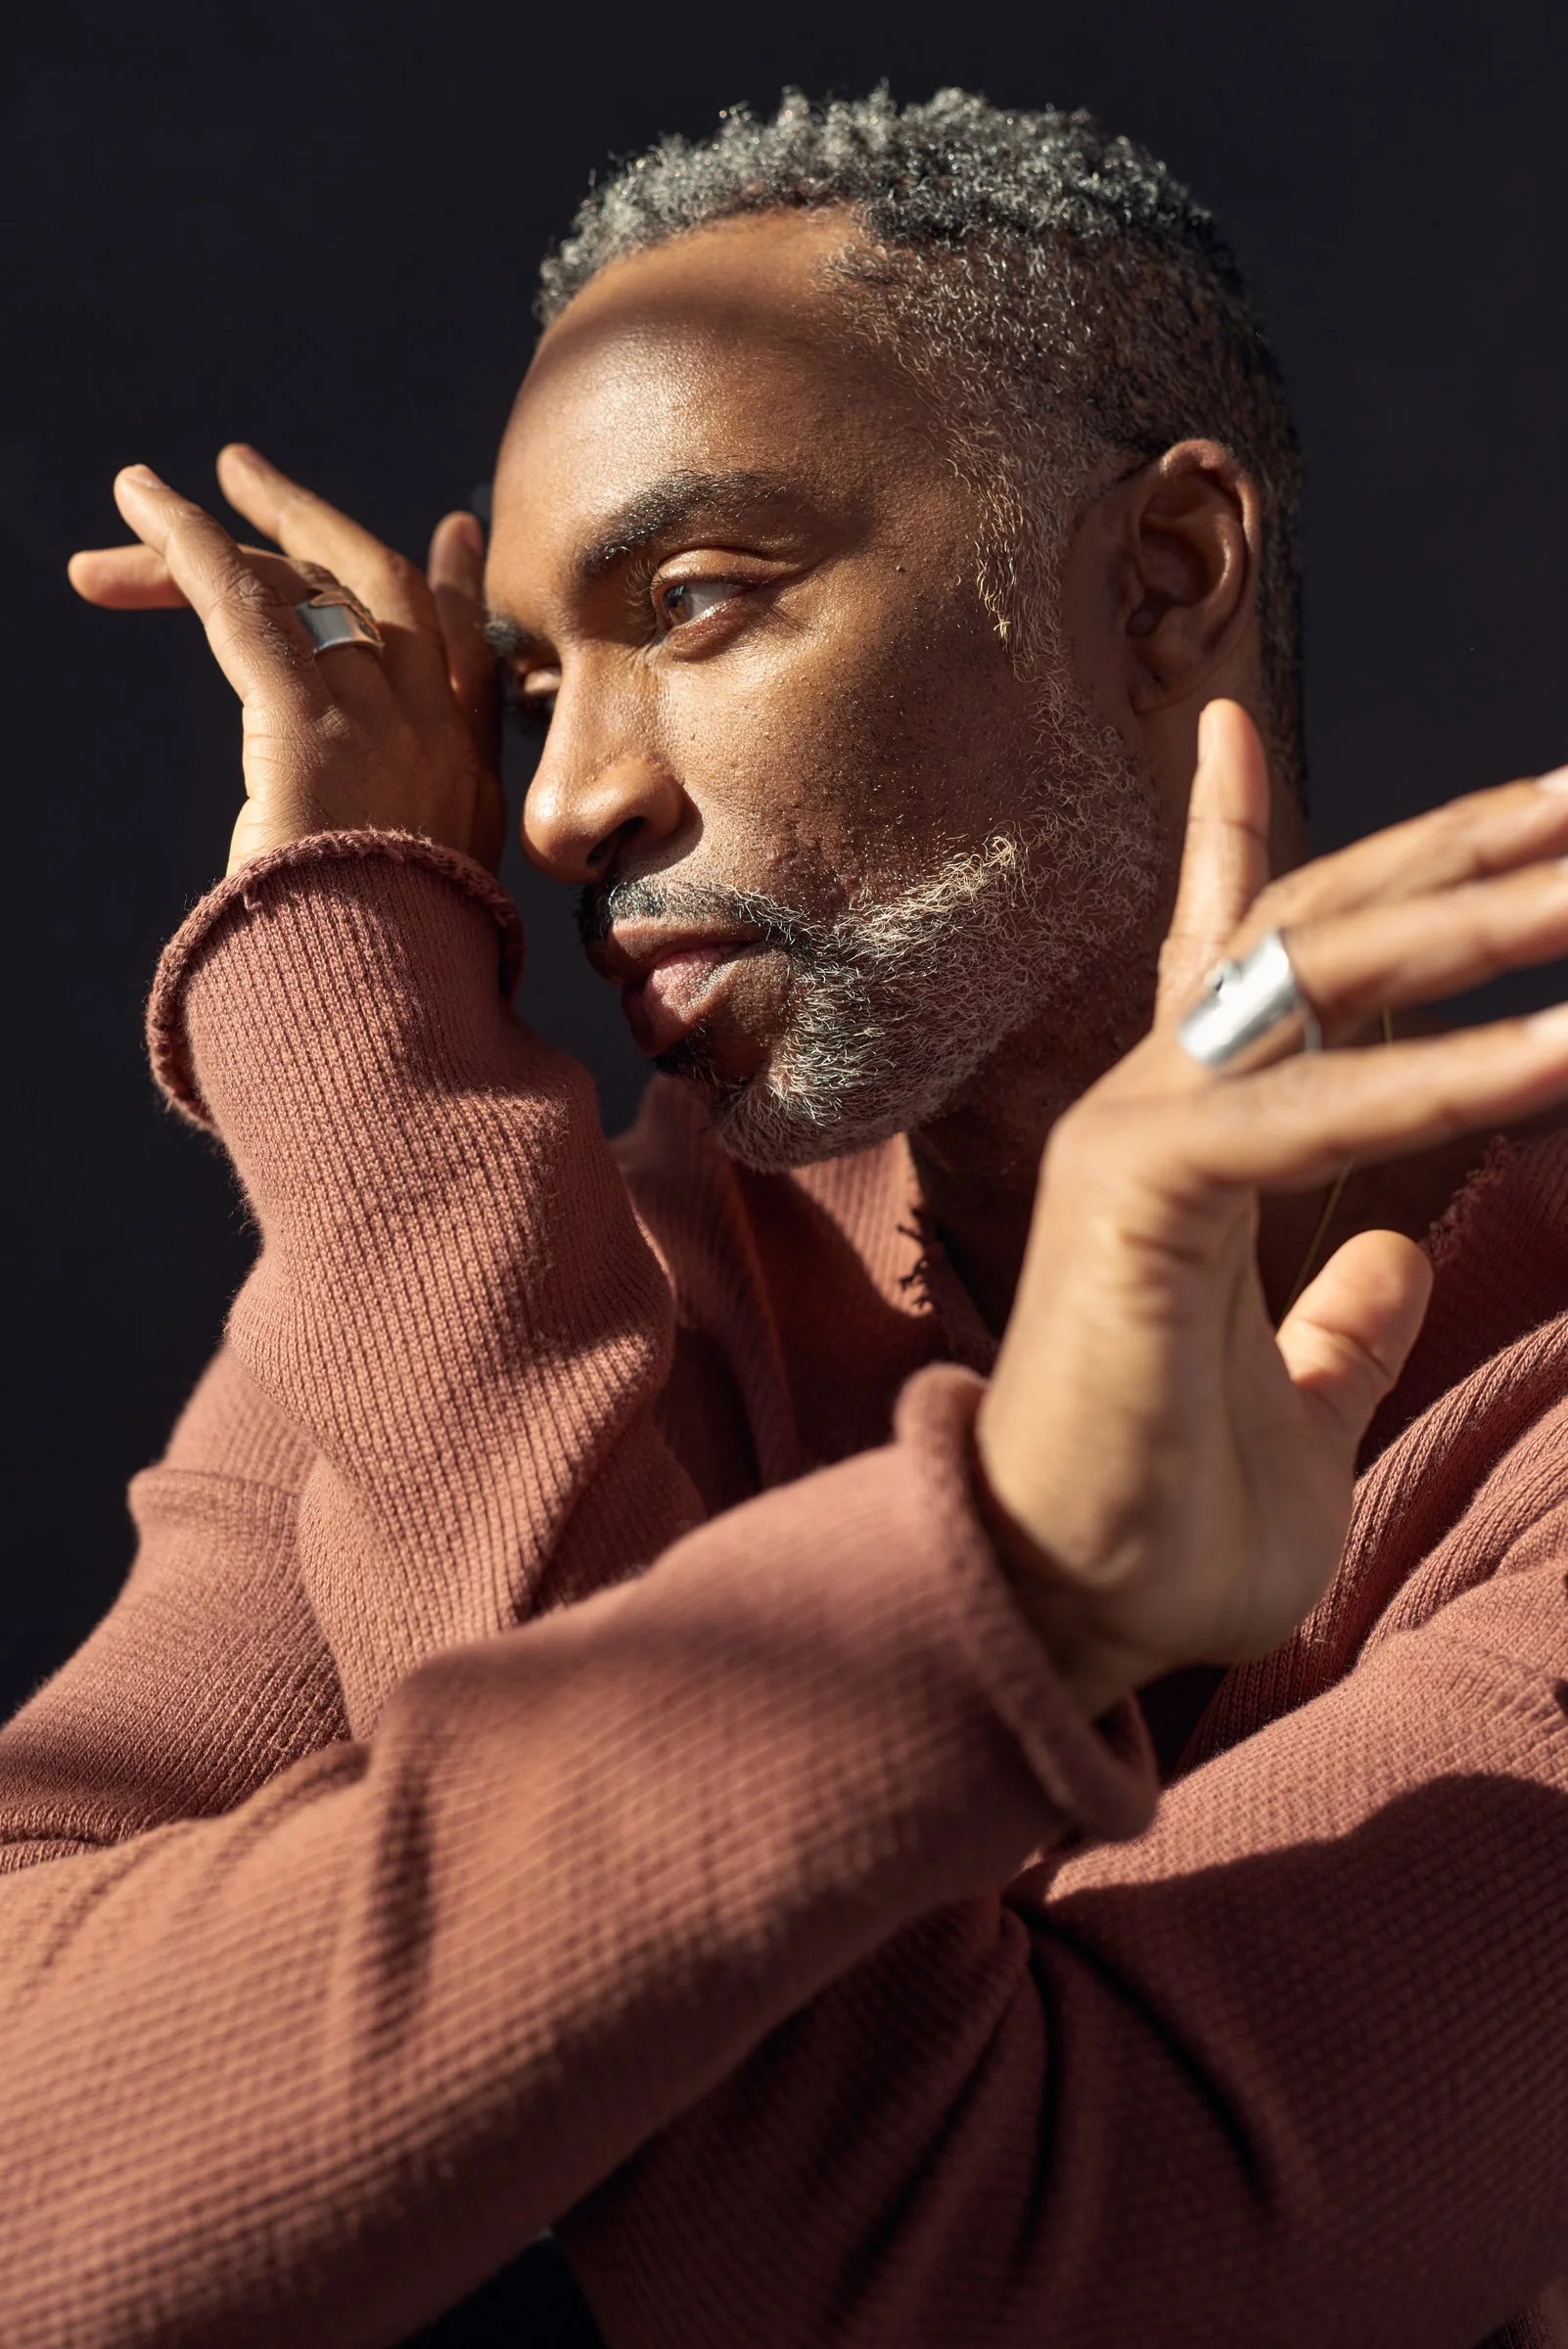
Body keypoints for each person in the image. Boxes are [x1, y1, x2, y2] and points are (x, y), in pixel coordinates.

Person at [4, 88, 1567, 2348]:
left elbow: (911, 2270)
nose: (558, 803)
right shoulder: (506, 1252)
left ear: (1162, 579)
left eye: (698, 601)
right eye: (531, 687)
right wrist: (1001, 1589)